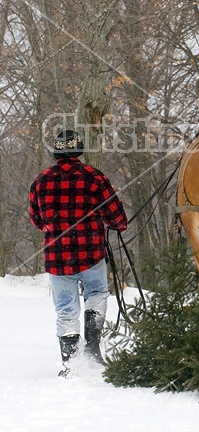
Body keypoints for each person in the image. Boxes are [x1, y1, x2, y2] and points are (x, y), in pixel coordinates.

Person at [29, 129, 128, 377]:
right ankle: (93, 350)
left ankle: (70, 363)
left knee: (65, 307)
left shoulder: (40, 181)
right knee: (96, 294)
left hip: (57, 256)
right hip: (91, 252)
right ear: (78, 150)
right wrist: (116, 225)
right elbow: (116, 216)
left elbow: (37, 219)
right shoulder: (94, 177)